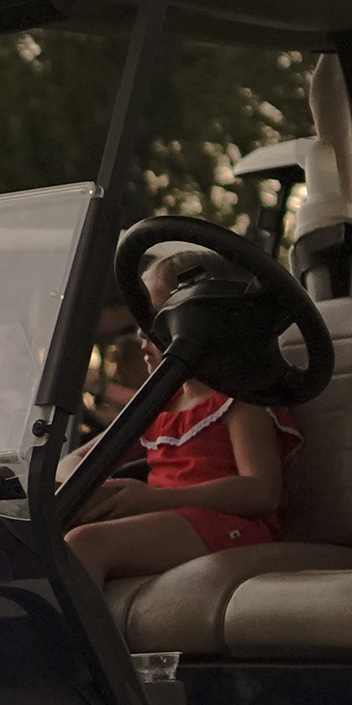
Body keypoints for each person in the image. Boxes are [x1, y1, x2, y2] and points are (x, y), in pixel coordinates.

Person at [61, 248, 297, 586]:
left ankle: (73, 641)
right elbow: (75, 461)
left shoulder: (238, 398)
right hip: (169, 519)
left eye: (157, 320)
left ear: (207, 316)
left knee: (85, 543)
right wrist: (99, 490)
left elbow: (262, 492)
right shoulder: (160, 404)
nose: (142, 336)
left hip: (229, 526)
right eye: (141, 322)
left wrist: (153, 500)